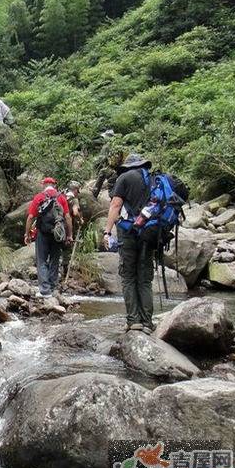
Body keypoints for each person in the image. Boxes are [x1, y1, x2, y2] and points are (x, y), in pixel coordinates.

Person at [102, 153, 155, 333]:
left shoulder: (124, 178)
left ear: (128, 166)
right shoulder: (152, 179)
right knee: (145, 279)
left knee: (128, 277)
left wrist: (107, 231)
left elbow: (116, 205)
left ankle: (134, 321)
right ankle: (147, 322)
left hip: (129, 233)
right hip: (150, 233)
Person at [24, 177, 73, 297]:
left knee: (41, 260)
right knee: (54, 260)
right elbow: (67, 217)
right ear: (54, 185)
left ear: (44, 184)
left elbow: (31, 217)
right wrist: (69, 235)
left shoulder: (39, 197)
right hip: (58, 234)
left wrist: (27, 234)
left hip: (43, 233)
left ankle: (45, 291)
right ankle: (52, 287)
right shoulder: (61, 197)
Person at [91, 130, 125, 198]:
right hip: (120, 169)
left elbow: (101, 159)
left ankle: (95, 192)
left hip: (113, 170)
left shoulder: (106, 146)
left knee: (102, 172)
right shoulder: (118, 146)